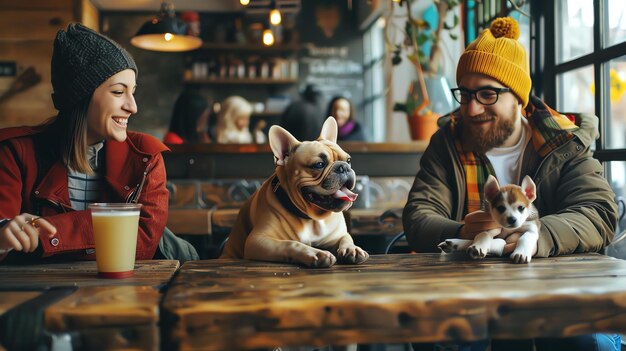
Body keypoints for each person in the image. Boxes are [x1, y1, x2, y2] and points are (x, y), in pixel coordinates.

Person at [402, 17, 620, 351]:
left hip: (555, 286)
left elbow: (598, 212)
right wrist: (466, 232)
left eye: (488, 94)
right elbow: (418, 216)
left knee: (578, 341)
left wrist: (535, 236)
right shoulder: (446, 142)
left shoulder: (563, 141)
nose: (472, 108)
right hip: (466, 289)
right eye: (465, 94)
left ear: (519, 99)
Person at [0, 23, 171, 263]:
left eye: (133, 92)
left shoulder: (146, 157)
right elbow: (3, 236)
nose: (133, 106)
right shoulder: (15, 152)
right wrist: (3, 239)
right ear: (80, 96)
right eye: (119, 92)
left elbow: (141, 245)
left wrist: (45, 232)